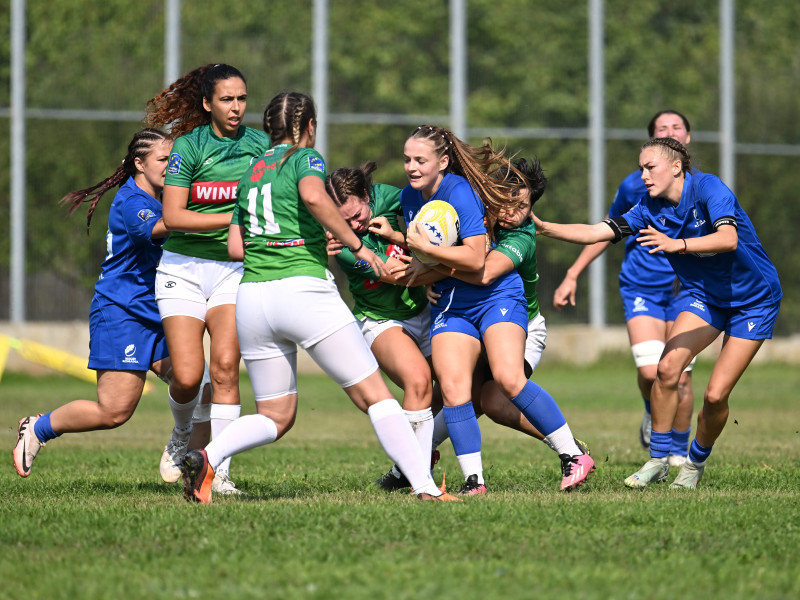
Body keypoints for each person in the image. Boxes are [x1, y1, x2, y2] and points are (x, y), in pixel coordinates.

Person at [179, 92, 460, 504]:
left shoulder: (252, 170)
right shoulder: (305, 159)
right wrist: (359, 247)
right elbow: (312, 195)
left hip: (252, 297)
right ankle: (426, 488)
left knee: (276, 415)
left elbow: (237, 245)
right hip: (302, 290)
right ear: (310, 126)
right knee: (376, 397)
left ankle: (207, 456)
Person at [534, 137, 782, 489]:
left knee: (714, 395)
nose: (644, 175)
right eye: (641, 168)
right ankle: (658, 460)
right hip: (707, 298)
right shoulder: (648, 207)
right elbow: (596, 232)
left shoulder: (709, 188)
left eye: (651, 167)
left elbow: (728, 239)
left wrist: (676, 244)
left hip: (754, 299)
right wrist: (544, 227)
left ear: (677, 166)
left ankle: (694, 465)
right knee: (666, 370)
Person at [400, 125, 595, 493]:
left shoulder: (522, 236)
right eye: (505, 200)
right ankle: (470, 480)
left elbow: (483, 271)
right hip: (459, 308)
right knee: (457, 390)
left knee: (497, 392)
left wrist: (427, 269)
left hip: (516, 316)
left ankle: (572, 452)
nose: (510, 212)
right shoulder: (464, 203)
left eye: (522, 206)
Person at [12, 129, 204, 477]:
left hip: (158, 310)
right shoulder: (132, 201)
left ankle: (186, 448)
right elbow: (163, 227)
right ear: (139, 163)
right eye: (164, 160)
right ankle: (38, 428)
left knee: (194, 382)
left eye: (173, 159)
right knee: (114, 412)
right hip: (122, 313)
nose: (171, 166)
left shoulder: (166, 195)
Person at [144, 63, 270, 494]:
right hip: (183, 269)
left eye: (242, 99)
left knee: (225, 369)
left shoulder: (260, 146)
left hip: (234, 269)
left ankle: (220, 472)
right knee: (186, 375)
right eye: (226, 100)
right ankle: (181, 436)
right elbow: (173, 216)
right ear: (207, 103)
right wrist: (234, 216)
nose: (236, 108)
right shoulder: (189, 146)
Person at [552, 110, 696, 465]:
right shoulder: (636, 186)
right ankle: (653, 411)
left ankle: (678, 454)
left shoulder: (703, 189)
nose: (670, 132)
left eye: (677, 128)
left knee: (680, 379)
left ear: (687, 141)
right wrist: (573, 272)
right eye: (662, 129)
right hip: (642, 287)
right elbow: (606, 230)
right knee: (652, 373)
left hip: (687, 291)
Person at [324, 162, 438, 490]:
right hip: (381, 320)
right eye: (342, 221)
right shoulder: (343, 246)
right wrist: (440, 270)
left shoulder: (391, 197)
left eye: (357, 215)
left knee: (456, 387)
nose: (353, 225)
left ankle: (409, 464)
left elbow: (433, 219)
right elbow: (394, 274)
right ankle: (421, 480)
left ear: (366, 196)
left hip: (426, 313)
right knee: (418, 382)